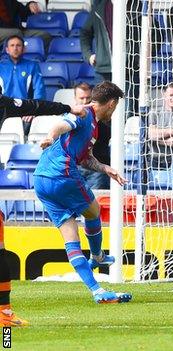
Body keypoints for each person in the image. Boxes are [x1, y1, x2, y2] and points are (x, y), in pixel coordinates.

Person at [33, 81, 132, 304]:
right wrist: (50, 136)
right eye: (115, 107)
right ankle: (97, 255)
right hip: (62, 174)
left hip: (41, 180)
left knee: (70, 234)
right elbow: (62, 124)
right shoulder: (84, 113)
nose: (114, 112)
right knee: (94, 210)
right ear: (112, 103)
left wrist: (106, 168)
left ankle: (97, 291)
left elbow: (85, 157)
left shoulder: (93, 126)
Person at [0, 95, 85, 326]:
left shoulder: (4, 103)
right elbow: (36, 106)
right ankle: (4, 314)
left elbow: (37, 106)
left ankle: (5, 314)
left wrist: (69, 108)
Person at [0, 35, 45, 134]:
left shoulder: (32, 66)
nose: (15, 48)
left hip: (25, 110)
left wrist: (33, 110)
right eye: (12, 45)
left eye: (18, 45)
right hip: (4, 110)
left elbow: (39, 89)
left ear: (24, 49)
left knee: (28, 127)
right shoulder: (1, 67)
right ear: (7, 49)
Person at [72, 83, 111, 189]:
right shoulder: (69, 118)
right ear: (75, 98)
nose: (85, 102)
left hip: (97, 169)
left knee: (96, 203)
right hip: (75, 168)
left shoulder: (103, 118)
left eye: (88, 98)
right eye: (81, 98)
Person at [79, 0, 112, 82]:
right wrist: (88, 55)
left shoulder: (135, 8)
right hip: (103, 71)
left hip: (129, 71)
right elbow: (85, 33)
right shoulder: (98, 9)